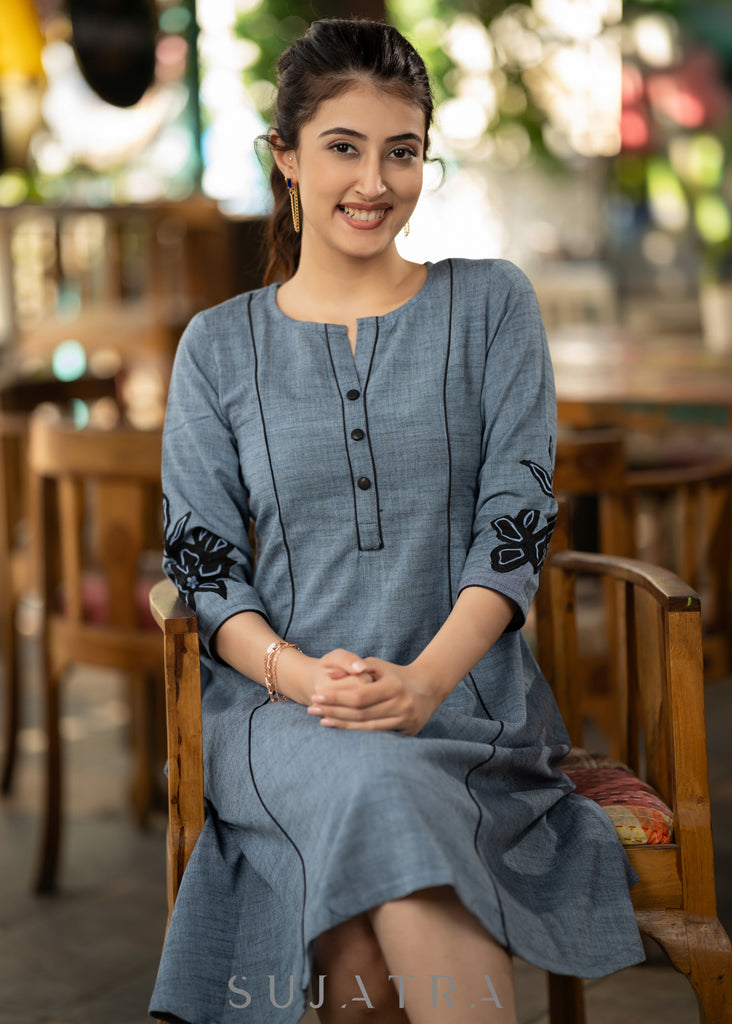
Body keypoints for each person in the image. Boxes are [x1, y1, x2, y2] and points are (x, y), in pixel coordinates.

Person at [150, 18, 644, 1024]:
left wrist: (423, 682)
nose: (375, 181)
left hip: (467, 706)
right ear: (284, 157)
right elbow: (207, 567)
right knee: (368, 786)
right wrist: (302, 675)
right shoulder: (215, 346)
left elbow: (516, 526)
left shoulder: (495, 305)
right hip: (282, 713)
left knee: (363, 905)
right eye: (343, 147)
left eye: (403, 151)